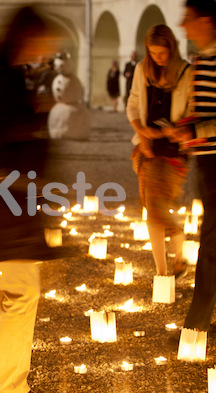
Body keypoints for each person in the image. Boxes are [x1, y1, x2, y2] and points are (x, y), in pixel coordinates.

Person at [0, 8, 63, 392]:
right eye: (44, 41)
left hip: (8, 199)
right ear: (28, 36)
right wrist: (32, 130)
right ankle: (8, 385)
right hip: (7, 201)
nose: (46, 49)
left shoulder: (5, 74)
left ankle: (10, 382)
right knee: (22, 295)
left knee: (22, 294)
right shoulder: (3, 78)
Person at [165, 0, 216, 342]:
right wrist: (186, 127)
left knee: (211, 246)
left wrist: (193, 132)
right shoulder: (204, 59)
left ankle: (196, 329)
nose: (182, 26)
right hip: (209, 162)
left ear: (207, 20)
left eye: (188, 19)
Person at [127, 24, 193, 278]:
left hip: (174, 149)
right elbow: (133, 104)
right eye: (153, 53)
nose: (158, 58)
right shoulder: (142, 70)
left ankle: (174, 260)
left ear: (171, 48)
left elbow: (191, 110)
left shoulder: (185, 72)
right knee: (153, 208)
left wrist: (176, 131)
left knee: (158, 207)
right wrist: (142, 132)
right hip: (147, 148)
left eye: (162, 53)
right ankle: (164, 271)